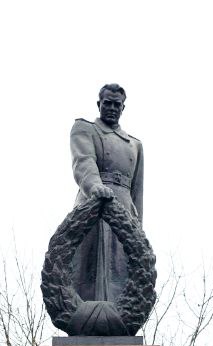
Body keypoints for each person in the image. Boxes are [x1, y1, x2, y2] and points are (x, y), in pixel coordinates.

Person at [70, 83, 144, 303]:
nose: (112, 108)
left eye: (116, 104)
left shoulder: (135, 145)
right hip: (93, 203)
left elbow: (137, 191)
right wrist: (95, 187)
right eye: (107, 103)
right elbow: (83, 162)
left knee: (120, 269)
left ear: (123, 108)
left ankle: (119, 312)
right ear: (99, 104)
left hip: (123, 209)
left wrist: (138, 231)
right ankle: (84, 311)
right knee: (88, 266)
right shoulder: (85, 129)